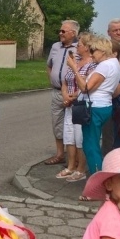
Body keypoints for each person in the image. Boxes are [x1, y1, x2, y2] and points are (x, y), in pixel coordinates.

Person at [67, 36, 120, 178]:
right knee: (92, 143)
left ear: (102, 51)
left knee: (90, 146)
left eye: (93, 51)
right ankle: (100, 177)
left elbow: (85, 87)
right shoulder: (114, 63)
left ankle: (98, 181)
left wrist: (74, 68)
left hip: (94, 108)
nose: (91, 54)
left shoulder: (104, 66)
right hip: (104, 105)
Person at [56, 32, 93, 183]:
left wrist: (73, 97)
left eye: (80, 44)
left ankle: (81, 169)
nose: (77, 46)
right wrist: (65, 96)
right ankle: (71, 166)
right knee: (69, 136)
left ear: (87, 47)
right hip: (70, 105)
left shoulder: (92, 64)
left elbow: (88, 85)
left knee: (80, 138)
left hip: (81, 104)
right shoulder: (75, 61)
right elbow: (66, 81)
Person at [44, 20, 79, 166]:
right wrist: (53, 80)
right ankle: (60, 154)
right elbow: (49, 66)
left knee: (73, 126)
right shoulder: (55, 46)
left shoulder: (80, 48)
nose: (60, 33)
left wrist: (74, 92)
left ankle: (75, 158)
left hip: (73, 94)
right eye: (60, 31)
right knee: (57, 124)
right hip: (57, 92)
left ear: (73, 33)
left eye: (63, 31)